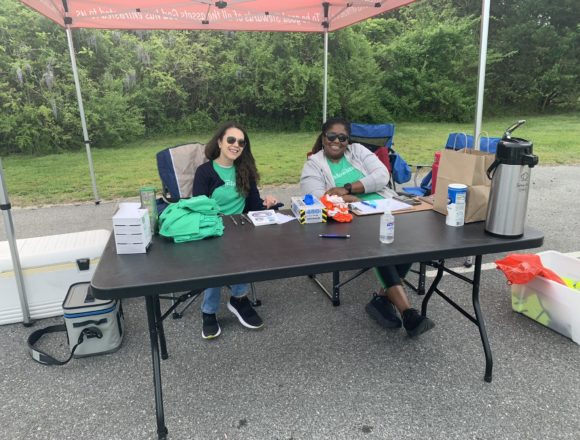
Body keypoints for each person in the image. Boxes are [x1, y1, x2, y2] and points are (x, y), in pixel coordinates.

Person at [300, 117, 435, 338]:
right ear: (323, 138)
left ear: (348, 140)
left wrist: (347, 188)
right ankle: (408, 312)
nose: (337, 141)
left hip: (386, 206)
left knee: (408, 240)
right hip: (351, 218)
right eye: (331, 136)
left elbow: (382, 176)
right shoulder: (313, 164)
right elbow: (316, 196)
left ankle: (382, 299)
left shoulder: (358, 151)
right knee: (378, 244)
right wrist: (350, 200)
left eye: (342, 137)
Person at [192, 122, 279, 339]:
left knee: (244, 247)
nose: (236, 145)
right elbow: (199, 207)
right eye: (231, 140)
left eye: (241, 142)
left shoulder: (245, 171)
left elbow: (254, 206)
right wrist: (217, 224)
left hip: (240, 228)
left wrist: (266, 203)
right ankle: (209, 311)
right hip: (213, 227)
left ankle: (238, 299)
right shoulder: (205, 172)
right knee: (216, 259)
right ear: (220, 142)